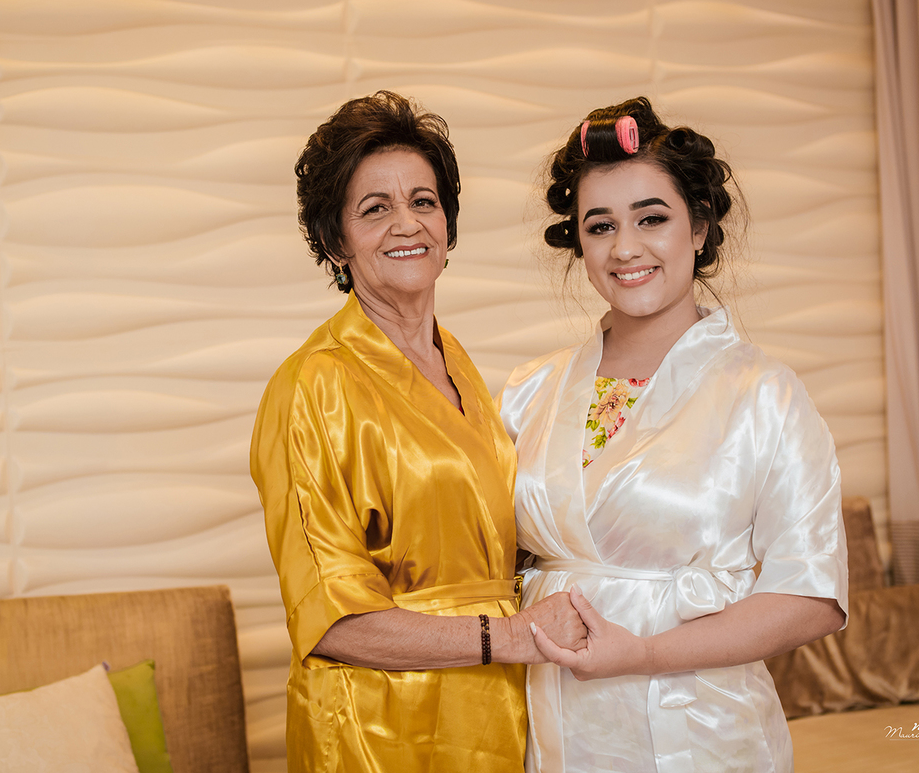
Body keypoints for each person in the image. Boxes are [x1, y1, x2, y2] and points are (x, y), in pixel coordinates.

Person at [497, 97, 848, 772]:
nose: (625, 247)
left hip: (701, 731)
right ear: (579, 242)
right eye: (600, 225)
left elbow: (812, 598)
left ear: (700, 226)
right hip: (551, 725)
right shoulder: (528, 391)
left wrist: (645, 652)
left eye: (651, 218)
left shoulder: (765, 394)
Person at [250, 90, 586, 773]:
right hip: (378, 733)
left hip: (489, 714)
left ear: (447, 225)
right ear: (335, 241)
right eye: (375, 208)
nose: (407, 223)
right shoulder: (312, 385)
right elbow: (333, 619)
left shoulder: (453, 359)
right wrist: (515, 636)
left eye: (423, 201)